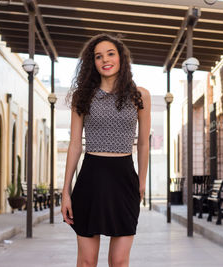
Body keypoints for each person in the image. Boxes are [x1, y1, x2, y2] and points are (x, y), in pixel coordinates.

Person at [61, 33, 151, 267]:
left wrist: (142, 181)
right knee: (87, 262)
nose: (105, 60)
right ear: (93, 63)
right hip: (91, 178)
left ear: (121, 57)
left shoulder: (139, 95)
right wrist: (65, 191)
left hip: (124, 180)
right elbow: (74, 144)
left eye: (110, 54)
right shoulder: (83, 97)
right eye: (98, 56)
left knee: (119, 261)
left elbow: (143, 142)